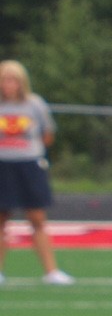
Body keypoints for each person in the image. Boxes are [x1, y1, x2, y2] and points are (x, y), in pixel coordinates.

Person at [0, 61, 72, 286]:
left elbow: (47, 134)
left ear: (22, 82)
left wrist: (30, 152)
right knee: (2, 219)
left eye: (13, 80)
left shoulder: (35, 105)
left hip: (29, 166)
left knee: (37, 218)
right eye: (4, 79)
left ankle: (51, 271)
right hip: (3, 166)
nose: (8, 84)